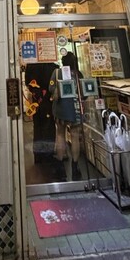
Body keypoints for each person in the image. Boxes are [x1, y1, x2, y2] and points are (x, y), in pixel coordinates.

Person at [49, 51, 83, 181]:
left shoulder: (57, 72)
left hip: (61, 109)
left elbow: (51, 88)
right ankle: (75, 167)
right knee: (75, 136)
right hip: (75, 110)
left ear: (63, 62)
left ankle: (61, 168)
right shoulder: (78, 75)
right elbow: (84, 94)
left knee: (60, 134)